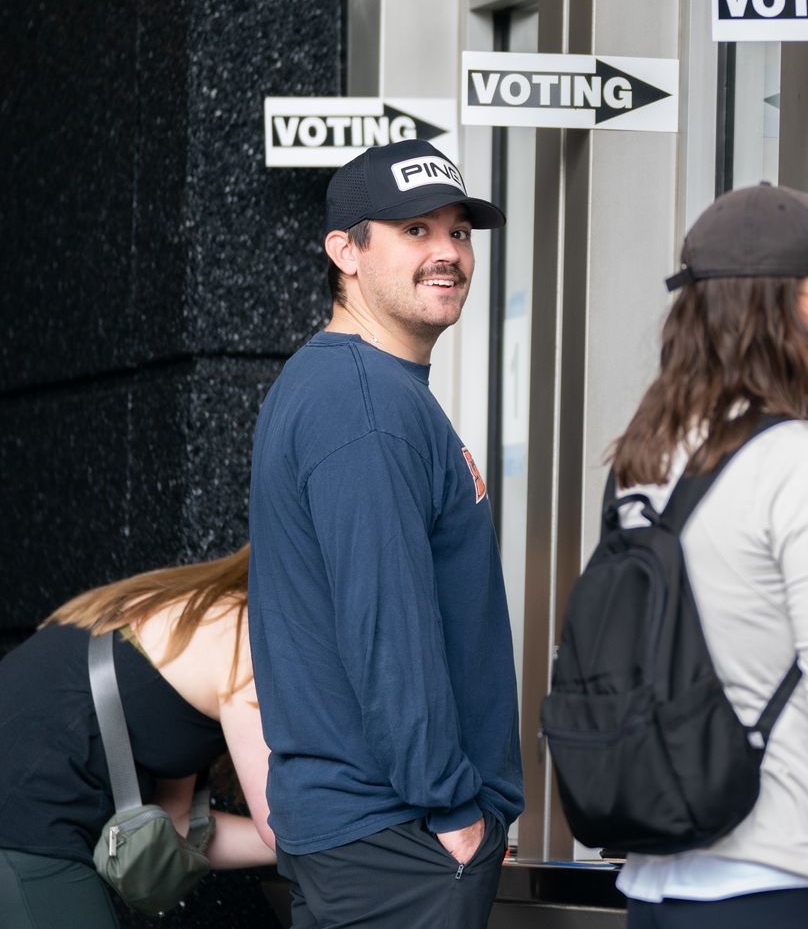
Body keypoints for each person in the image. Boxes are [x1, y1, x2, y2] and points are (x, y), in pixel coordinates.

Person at [609, 182, 808, 929]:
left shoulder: (647, 455)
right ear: (773, 306)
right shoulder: (800, 457)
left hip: (657, 875)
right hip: (775, 873)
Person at [249, 139, 523, 928]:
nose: (447, 253)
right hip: (396, 840)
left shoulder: (349, 386)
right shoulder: (363, 402)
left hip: (373, 837)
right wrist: (454, 812)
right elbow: (387, 627)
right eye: (414, 230)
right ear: (345, 251)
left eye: (459, 232)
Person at [0, 546, 277, 927]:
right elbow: (287, 823)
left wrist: (287, 849)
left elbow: (179, 826)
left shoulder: (186, 608)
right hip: (24, 825)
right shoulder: (245, 634)